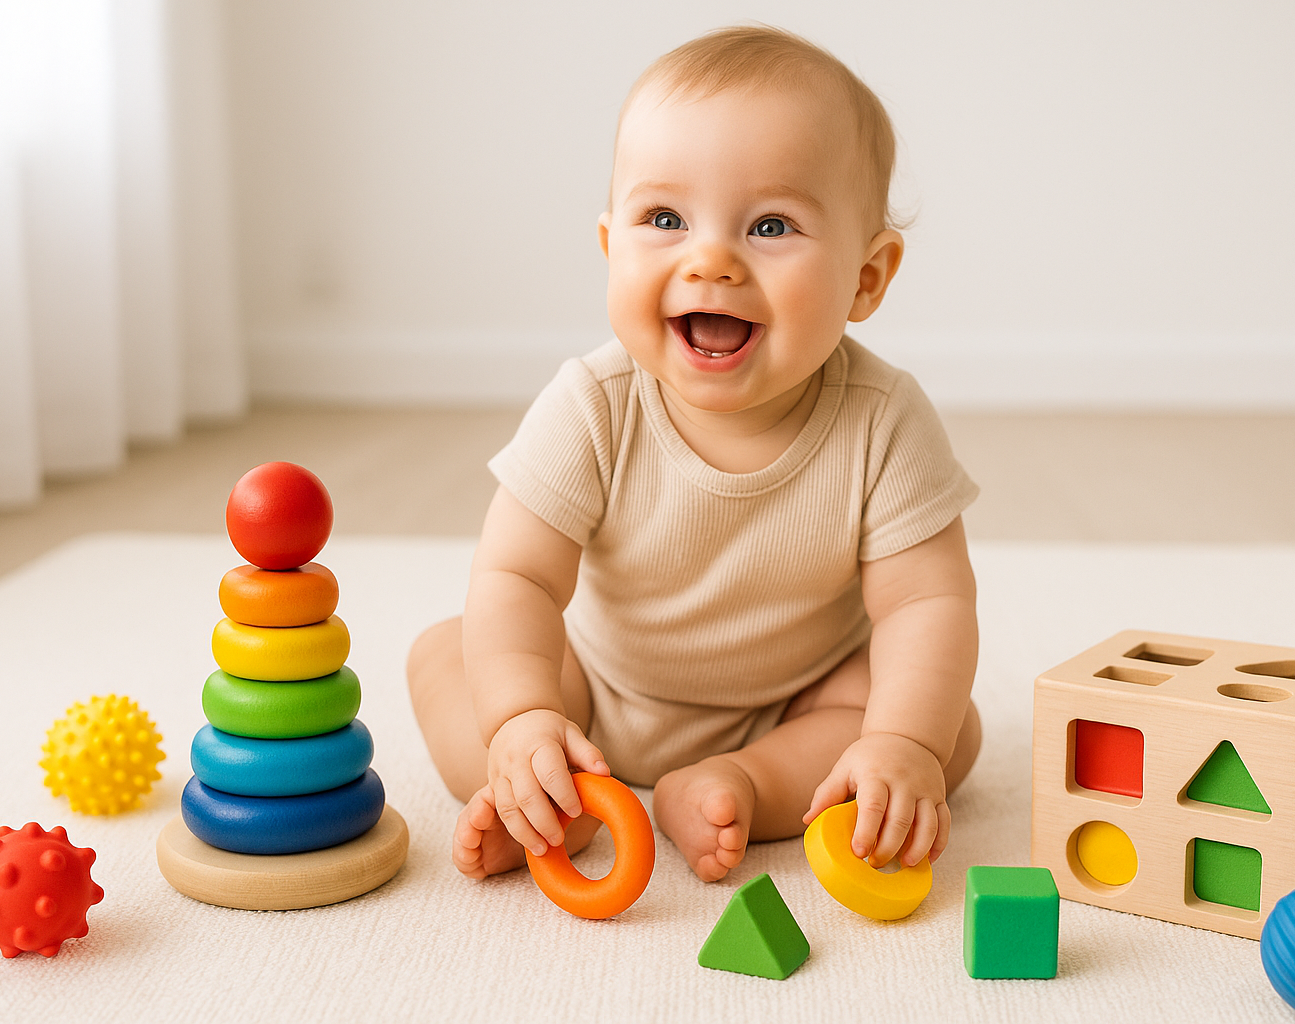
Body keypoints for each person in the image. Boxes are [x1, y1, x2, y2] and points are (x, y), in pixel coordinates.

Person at [407, 24, 982, 886]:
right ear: (612, 247)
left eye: (771, 225)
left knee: (945, 728)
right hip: (593, 693)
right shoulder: (593, 406)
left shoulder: (884, 421)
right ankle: (539, 792)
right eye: (665, 218)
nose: (710, 259)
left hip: (797, 702)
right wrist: (522, 716)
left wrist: (903, 743)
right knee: (450, 655)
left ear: (867, 278)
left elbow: (924, 603)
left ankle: (734, 785)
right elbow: (517, 578)